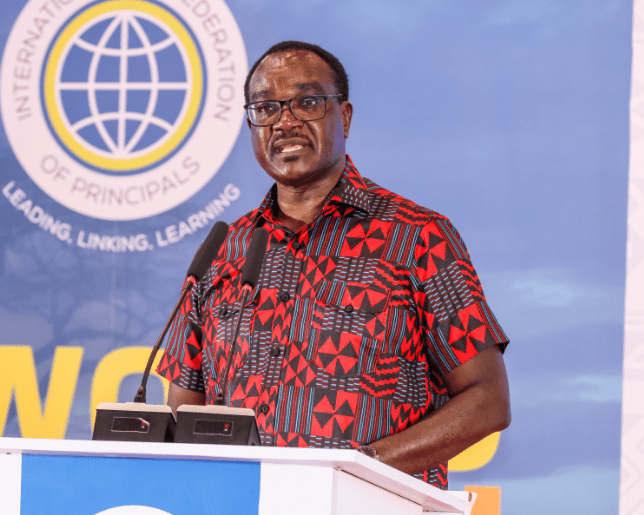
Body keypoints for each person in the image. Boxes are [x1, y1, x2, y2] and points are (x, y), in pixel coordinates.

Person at [157, 40, 510, 489]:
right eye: (265, 108)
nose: (284, 122)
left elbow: (487, 400)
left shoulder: (417, 236)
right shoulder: (226, 249)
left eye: (306, 102)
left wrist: (355, 468)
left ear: (343, 116)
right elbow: (183, 411)